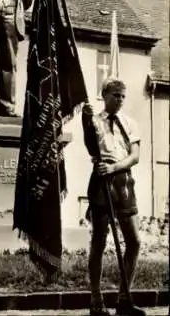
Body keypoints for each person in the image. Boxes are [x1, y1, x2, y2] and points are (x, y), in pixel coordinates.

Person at [82, 78, 145, 316]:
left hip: (123, 180)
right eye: (115, 95)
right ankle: (96, 301)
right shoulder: (94, 121)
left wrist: (115, 167)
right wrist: (86, 122)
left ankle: (123, 299)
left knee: (135, 241)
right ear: (104, 95)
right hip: (101, 181)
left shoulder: (129, 123)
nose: (119, 100)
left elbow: (135, 156)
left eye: (123, 96)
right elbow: (91, 147)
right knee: (99, 239)